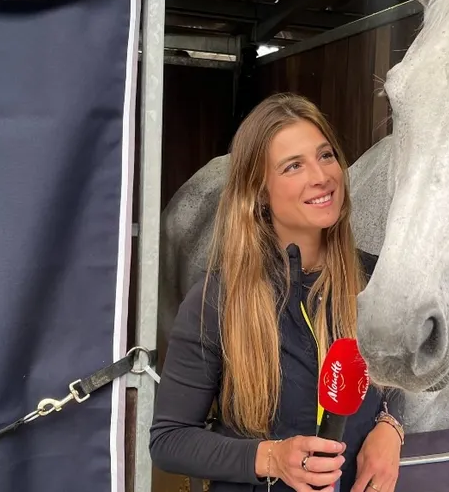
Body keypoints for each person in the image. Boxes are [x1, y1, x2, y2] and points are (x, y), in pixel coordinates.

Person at [149, 93, 404, 492]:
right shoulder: (217, 299)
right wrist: (271, 458)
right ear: (260, 194)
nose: (320, 176)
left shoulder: (377, 282)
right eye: (293, 166)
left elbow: (406, 376)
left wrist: (391, 428)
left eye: (325, 156)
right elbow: (168, 440)